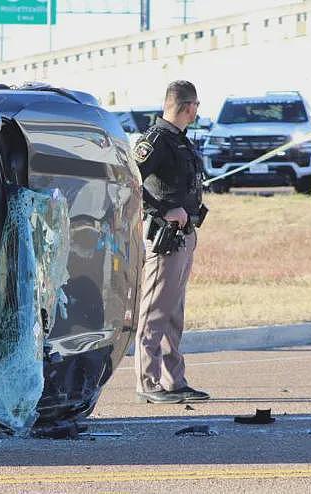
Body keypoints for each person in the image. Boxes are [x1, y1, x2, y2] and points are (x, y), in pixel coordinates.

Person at [132, 80, 209, 404]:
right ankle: (148, 382)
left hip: (183, 236)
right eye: (196, 107)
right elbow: (131, 181)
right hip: (164, 237)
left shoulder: (178, 140)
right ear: (189, 107)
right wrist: (164, 210)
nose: (196, 113)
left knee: (173, 313)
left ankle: (173, 380)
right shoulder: (156, 140)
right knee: (154, 312)